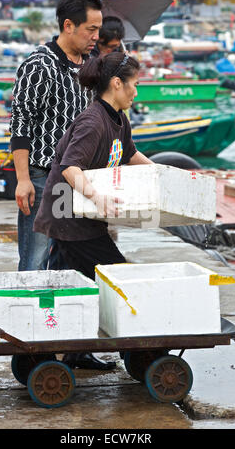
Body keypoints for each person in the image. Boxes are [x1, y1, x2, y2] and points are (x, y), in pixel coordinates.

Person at [33, 52, 154, 369]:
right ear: (117, 84)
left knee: (72, 284)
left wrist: (165, 175)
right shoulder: (92, 121)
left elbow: (131, 155)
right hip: (69, 217)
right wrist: (98, 197)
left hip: (83, 217)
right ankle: (126, 347)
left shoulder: (118, 119)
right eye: (134, 85)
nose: (136, 92)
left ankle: (73, 353)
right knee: (117, 276)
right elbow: (71, 168)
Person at [10, 0, 103, 272]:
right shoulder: (40, 64)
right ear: (68, 26)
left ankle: (58, 313)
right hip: (42, 177)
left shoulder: (89, 64)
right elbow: (20, 122)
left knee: (69, 257)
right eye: (91, 29)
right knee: (35, 257)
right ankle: (26, 311)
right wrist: (23, 180)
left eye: (99, 29)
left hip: (77, 176)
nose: (96, 36)